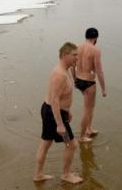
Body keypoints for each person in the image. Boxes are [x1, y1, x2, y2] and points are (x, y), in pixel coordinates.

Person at [33, 42, 83, 184]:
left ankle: (38, 175)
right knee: (72, 145)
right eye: (74, 55)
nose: (77, 58)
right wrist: (60, 124)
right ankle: (66, 175)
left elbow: (60, 97)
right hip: (55, 115)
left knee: (45, 144)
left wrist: (68, 110)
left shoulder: (64, 70)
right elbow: (54, 99)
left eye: (77, 55)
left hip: (53, 112)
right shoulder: (59, 74)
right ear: (64, 55)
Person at [74, 28, 106, 142]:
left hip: (78, 80)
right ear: (96, 38)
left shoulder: (78, 47)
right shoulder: (95, 50)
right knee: (88, 109)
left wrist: (75, 81)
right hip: (88, 83)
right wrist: (103, 89)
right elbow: (99, 71)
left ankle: (89, 129)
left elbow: (73, 65)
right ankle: (82, 136)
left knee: (90, 107)